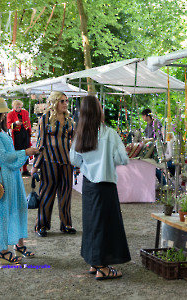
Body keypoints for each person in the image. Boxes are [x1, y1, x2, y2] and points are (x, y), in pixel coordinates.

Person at [70, 95, 131, 280]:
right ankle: (102, 267)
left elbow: (74, 160)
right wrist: (108, 159)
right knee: (106, 225)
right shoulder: (109, 134)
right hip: (105, 185)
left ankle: (94, 261)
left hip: (89, 185)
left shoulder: (81, 134)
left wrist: (89, 163)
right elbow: (123, 159)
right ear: (98, 111)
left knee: (91, 224)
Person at [0, 97, 39, 264]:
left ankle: (19, 244)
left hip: (12, 175)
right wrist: (25, 152)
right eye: (3, 112)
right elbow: (3, 156)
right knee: (1, 215)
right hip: (1, 178)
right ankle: (2, 251)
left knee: (18, 209)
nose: (5, 115)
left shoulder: (0, 129)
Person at [31, 92, 75, 237]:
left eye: (67, 101)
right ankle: (41, 226)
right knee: (47, 195)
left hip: (67, 162)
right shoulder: (45, 119)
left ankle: (66, 225)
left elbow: (74, 143)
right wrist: (36, 165)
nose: (65, 104)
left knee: (66, 194)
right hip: (49, 161)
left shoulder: (69, 120)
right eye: (62, 101)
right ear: (55, 102)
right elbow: (40, 142)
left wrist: (78, 164)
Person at [7, 100, 32, 176]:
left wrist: (29, 132)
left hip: (25, 133)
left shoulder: (25, 112)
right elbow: (8, 125)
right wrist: (15, 123)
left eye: (20, 107)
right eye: (17, 107)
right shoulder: (10, 114)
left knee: (26, 150)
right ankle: (18, 169)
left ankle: (25, 169)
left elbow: (28, 122)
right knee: (18, 151)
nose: (18, 108)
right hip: (17, 134)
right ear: (13, 107)